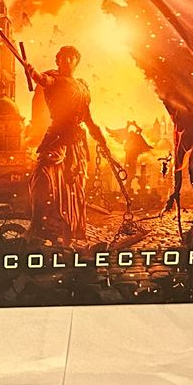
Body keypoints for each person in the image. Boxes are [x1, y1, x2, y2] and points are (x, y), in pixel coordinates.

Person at [22, 46, 122, 243]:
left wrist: (104, 145)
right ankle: (37, 223)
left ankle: (68, 231)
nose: (67, 61)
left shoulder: (82, 87)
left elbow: (89, 120)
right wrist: (31, 70)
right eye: (63, 58)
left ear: (77, 61)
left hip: (76, 142)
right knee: (42, 175)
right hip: (56, 137)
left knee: (73, 188)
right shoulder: (54, 79)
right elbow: (42, 79)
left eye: (71, 58)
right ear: (57, 60)